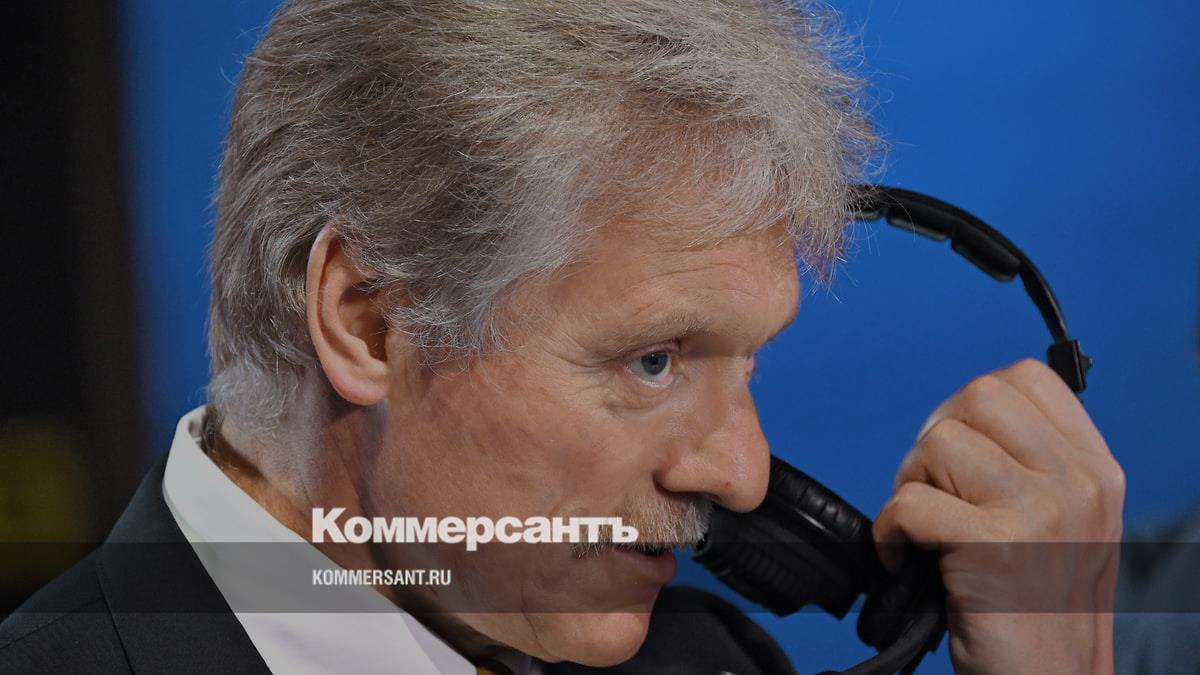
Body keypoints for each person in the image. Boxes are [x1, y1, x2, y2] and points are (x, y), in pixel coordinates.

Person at [0, 1, 1125, 673]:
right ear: (367, 320)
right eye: (655, 361)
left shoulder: (708, 661)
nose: (740, 474)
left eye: (749, 361)